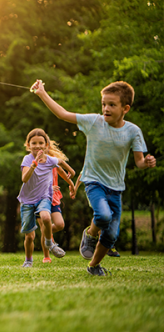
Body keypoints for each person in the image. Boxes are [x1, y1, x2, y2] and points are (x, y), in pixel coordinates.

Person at [31, 79, 156, 276]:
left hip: (116, 187)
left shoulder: (133, 131)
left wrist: (146, 162)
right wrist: (42, 93)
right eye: (104, 104)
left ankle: (93, 266)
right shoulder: (94, 122)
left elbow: (139, 161)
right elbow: (62, 114)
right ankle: (90, 234)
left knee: (112, 234)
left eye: (112, 105)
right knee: (104, 215)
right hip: (93, 181)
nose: (106, 108)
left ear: (126, 108)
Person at [19, 128, 71, 267]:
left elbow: (60, 164)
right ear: (28, 145)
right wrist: (33, 165)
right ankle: (28, 260)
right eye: (34, 143)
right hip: (28, 200)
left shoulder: (49, 160)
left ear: (46, 145)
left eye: (41, 143)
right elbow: (25, 179)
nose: (37, 146)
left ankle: (49, 243)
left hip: (44, 197)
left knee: (46, 218)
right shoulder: (27, 159)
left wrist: (72, 177)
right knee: (30, 236)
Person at [38, 141, 76, 263]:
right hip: (40, 198)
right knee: (44, 223)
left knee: (60, 225)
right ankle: (46, 256)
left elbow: (61, 172)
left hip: (53, 198)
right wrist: (48, 188)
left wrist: (71, 184)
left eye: (43, 144)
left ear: (47, 146)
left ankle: (48, 235)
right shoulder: (34, 162)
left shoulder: (52, 160)